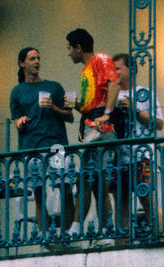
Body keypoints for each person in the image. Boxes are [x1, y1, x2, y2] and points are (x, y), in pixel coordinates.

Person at [9, 47, 72, 235]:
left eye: (38, 58)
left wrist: (53, 107)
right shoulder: (17, 91)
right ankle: (45, 235)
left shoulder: (54, 87)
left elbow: (69, 117)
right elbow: (17, 120)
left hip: (56, 146)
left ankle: (67, 234)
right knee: (39, 194)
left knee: (66, 188)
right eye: (32, 59)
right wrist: (20, 122)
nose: (37, 62)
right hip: (31, 148)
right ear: (22, 63)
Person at [65, 28, 121, 239]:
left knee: (90, 179)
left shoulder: (101, 59)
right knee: (96, 180)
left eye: (69, 48)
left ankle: (79, 229)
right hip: (91, 126)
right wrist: (76, 104)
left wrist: (107, 113)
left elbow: (113, 84)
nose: (68, 53)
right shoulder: (87, 68)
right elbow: (90, 104)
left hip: (100, 129)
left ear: (79, 47)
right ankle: (104, 229)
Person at [110, 52, 164, 234]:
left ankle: (159, 237)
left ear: (130, 69)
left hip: (141, 155)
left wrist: (136, 111)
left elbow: (159, 123)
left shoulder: (145, 94)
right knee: (121, 201)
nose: (114, 72)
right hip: (119, 156)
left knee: (146, 197)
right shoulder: (111, 93)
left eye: (117, 68)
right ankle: (122, 243)